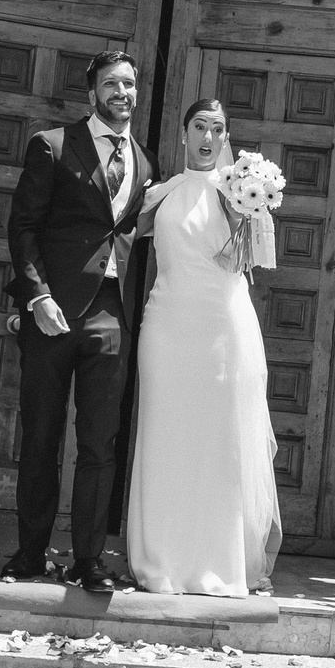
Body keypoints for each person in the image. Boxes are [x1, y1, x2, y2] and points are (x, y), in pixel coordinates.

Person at [4, 49, 152, 593]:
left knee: (98, 444)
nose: (122, 93)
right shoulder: (53, 145)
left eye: (130, 84)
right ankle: (30, 552)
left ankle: (88, 560)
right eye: (111, 84)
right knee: (41, 434)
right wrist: (35, 297)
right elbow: (23, 227)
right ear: (93, 94)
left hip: (110, 315)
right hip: (53, 313)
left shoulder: (145, 160)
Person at [123, 99, 281, 598]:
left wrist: (247, 209)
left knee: (217, 444)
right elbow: (121, 235)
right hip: (167, 326)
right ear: (183, 132)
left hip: (222, 329)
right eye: (199, 127)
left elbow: (252, 259)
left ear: (227, 136)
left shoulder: (239, 190)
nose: (208, 137)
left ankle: (217, 563)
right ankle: (162, 560)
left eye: (217, 129)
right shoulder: (162, 191)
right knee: (166, 437)